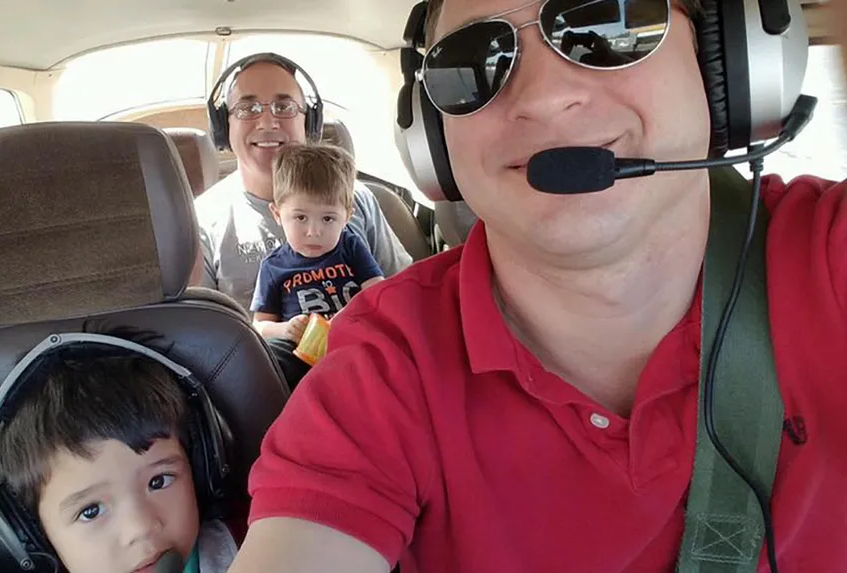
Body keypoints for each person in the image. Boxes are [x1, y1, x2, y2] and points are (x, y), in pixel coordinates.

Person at [227, 1, 847, 572]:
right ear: (431, 140)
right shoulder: (389, 360)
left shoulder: (828, 253)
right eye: (474, 62)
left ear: (727, 60)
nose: (545, 97)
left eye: (609, 26)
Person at [195, 53, 411, 388]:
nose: (267, 122)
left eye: (284, 107)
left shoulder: (360, 199)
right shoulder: (202, 222)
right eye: (248, 109)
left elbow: (401, 294)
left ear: (308, 122)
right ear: (225, 127)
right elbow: (205, 346)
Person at [0, 331, 237, 573]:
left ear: (200, 472)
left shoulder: (252, 549)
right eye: (90, 511)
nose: (141, 527)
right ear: (35, 539)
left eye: (159, 481)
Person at [251, 143, 384, 344]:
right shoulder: (273, 266)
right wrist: (286, 329)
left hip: (353, 340)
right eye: (301, 218)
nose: (314, 232)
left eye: (328, 219)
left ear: (347, 217)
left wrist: (355, 314)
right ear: (277, 214)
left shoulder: (350, 247)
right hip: (301, 351)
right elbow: (259, 326)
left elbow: (377, 292)